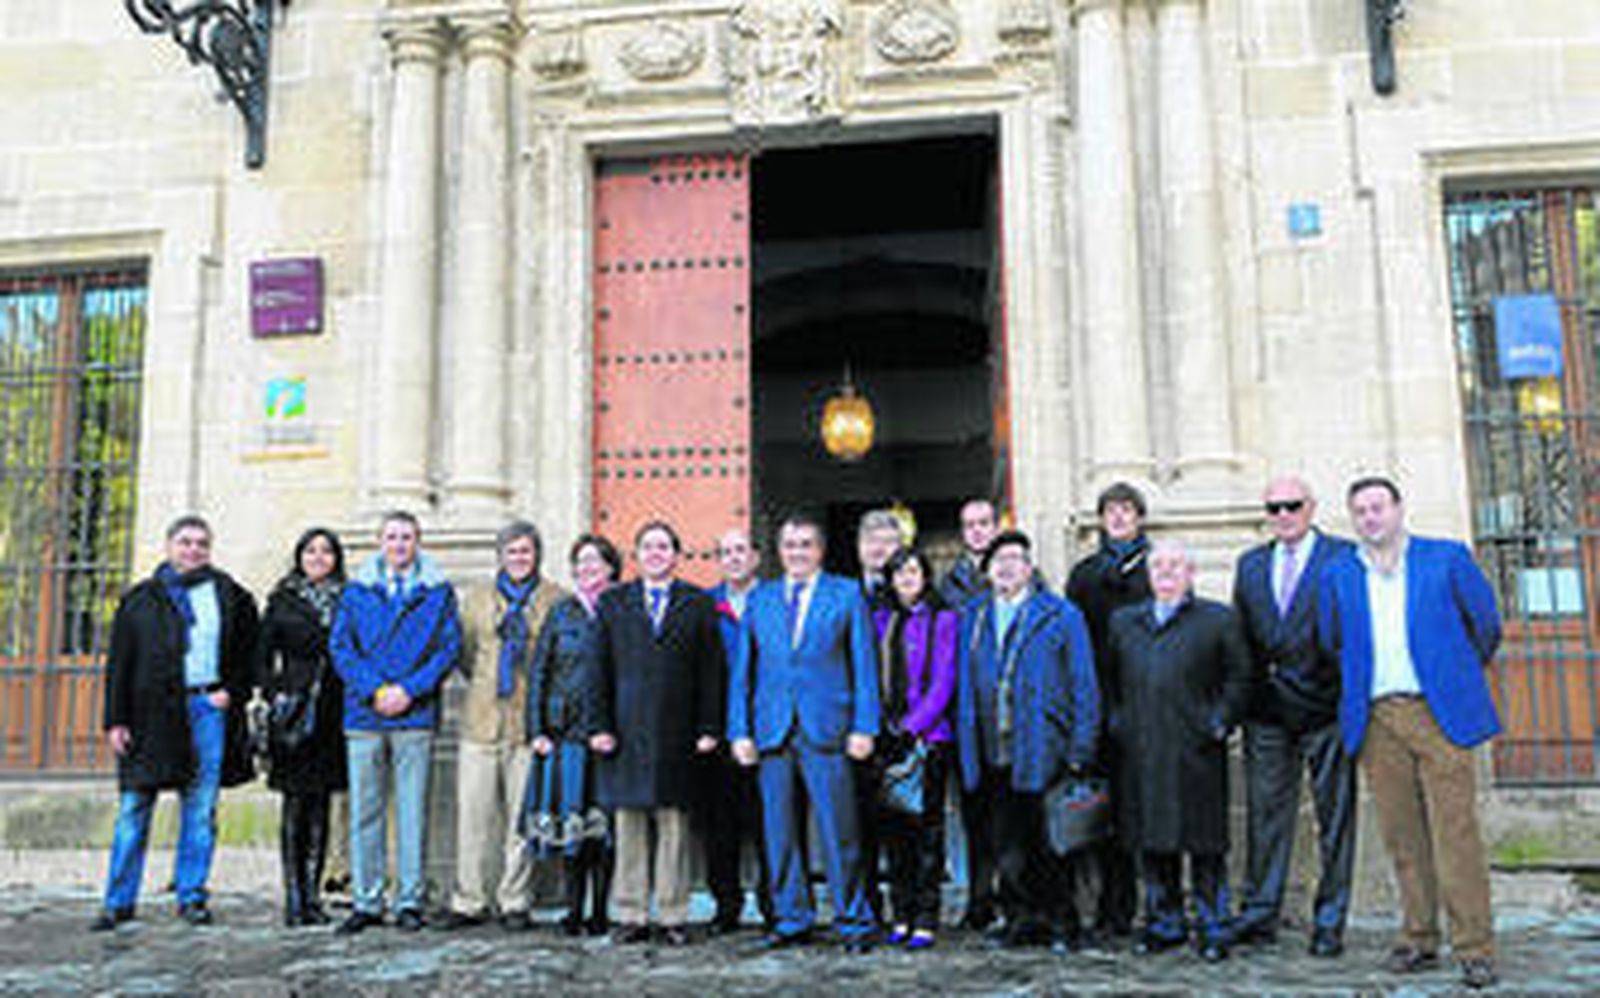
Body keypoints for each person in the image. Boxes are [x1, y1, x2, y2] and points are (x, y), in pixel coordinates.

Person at [1318, 476, 1502, 990]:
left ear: (1399, 509)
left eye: (1378, 507)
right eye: (1360, 511)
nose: (1370, 517)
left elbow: (1485, 625)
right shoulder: (1339, 574)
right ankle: (1419, 936)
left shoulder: (1446, 559)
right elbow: (1334, 641)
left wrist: (1452, 674)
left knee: (1456, 834)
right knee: (1402, 835)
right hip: (1377, 718)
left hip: (1438, 713)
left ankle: (1475, 947)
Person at [93, 515, 259, 931]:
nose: (193, 550)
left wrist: (234, 691)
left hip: (206, 710)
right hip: (149, 716)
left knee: (200, 809)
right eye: (185, 542)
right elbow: (120, 663)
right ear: (169, 546)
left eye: (201, 543)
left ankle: (191, 896)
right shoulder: (140, 599)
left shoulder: (229, 594)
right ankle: (118, 901)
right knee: (134, 807)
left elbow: (250, 650)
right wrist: (116, 720)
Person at [728, 514, 880, 952]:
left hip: (828, 729)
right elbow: (743, 673)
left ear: (821, 550)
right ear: (779, 551)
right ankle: (792, 919)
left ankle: (853, 920)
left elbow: (864, 666)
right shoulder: (762, 599)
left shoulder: (846, 594)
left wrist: (864, 726)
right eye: (790, 545)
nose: (797, 552)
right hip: (772, 730)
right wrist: (739, 731)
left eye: (806, 544)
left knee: (839, 831)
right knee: (779, 832)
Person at [1229, 477, 1357, 956]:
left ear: (1311, 507)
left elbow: (1354, 634)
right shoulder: (1251, 564)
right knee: (1265, 817)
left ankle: (1329, 919)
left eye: (1292, 506)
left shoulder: (1342, 558)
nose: (1283, 515)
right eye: (1273, 507)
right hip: (1267, 713)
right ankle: (1261, 912)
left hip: (1326, 710)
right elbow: (1242, 641)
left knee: (1335, 819)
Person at [954, 529, 1100, 952]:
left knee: (1051, 843)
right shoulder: (975, 616)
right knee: (1007, 844)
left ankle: (1061, 922)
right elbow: (965, 685)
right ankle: (1019, 919)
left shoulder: (1060, 614)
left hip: (1044, 747)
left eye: (1015, 558)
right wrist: (968, 752)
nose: (1005, 566)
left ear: (1030, 566)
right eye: (998, 560)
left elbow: (1083, 684)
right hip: (992, 750)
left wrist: (1081, 747)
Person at [1107, 540, 1251, 963]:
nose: (1166, 573)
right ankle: (1163, 924)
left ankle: (1213, 926)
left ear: (1191, 573)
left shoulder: (1218, 619)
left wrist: (1219, 721)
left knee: (1204, 845)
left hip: (1197, 750)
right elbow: (1110, 680)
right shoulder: (1125, 622)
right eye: (1158, 567)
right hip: (1143, 749)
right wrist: (1120, 723)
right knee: (1153, 844)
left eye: (1175, 566)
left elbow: (1240, 678)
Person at [330, 511, 462, 934]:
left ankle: (409, 899)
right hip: (365, 715)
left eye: (407, 537)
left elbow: (448, 648)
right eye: (392, 537)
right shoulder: (356, 592)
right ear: (379, 542)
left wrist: (409, 690)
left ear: (417, 542)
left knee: (411, 811)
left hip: (415, 715)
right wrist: (375, 691)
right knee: (365, 812)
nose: (399, 544)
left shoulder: (438, 592)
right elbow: (342, 648)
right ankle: (367, 900)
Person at [592, 521, 724, 946]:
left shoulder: (698, 603)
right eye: (648, 546)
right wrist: (599, 726)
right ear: (637, 555)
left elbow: (712, 672)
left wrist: (709, 727)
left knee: (673, 827)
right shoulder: (613, 602)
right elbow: (598, 670)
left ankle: (672, 914)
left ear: (676, 554)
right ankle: (630, 913)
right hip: (625, 731)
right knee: (629, 825)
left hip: (679, 731)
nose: (655, 553)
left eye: (664, 546)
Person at [440, 520, 566, 931]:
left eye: (526, 552)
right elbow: (466, 653)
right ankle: (468, 899)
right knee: (473, 816)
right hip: (480, 721)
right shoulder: (476, 599)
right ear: (500, 556)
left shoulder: (554, 600)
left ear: (537, 555)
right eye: (511, 552)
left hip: (527, 726)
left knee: (519, 819)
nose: (518, 559)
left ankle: (515, 900)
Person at [1064, 481, 1152, 940]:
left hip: (1145, 707)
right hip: (1098, 707)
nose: (1118, 518)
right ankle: (1110, 907)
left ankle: (1154, 903)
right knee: (1102, 815)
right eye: (1110, 511)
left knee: (1146, 811)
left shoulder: (1157, 569)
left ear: (1139, 517)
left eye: (1126, 510)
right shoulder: (1083, 575)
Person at [524, 534, 621, 936]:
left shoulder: (623, 609)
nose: (587, 568)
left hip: (609, 737)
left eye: (595, 561)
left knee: (603, 830)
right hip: (565, 734)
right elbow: (539, 672)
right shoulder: (560, 612)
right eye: (580, 561)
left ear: (611, 567)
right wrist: (536, 729)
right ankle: (573, 909)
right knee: (571, 826)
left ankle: (601, 910)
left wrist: (616, 728)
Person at [256, 527, 349, 927]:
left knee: (323, 805)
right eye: (311, 551)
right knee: (295, 805)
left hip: (333, 710)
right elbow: (261, 657)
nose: (318, 557)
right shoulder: (282, 600)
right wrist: (277, 691)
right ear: (299, 557)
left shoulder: (349, 598)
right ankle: (294, 898)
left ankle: (314, 894)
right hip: (295, 711)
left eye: (326, 552)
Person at [871, 547, 958, 951]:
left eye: (913, 570)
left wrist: (912, 727)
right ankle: (900, 912)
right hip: (886, 742)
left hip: (929, 739)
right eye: (898, 572)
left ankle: (926, 916)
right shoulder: (879, 620)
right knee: (894, 834)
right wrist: (883, 730)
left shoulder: (943, 619)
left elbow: (943, 681)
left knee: (927, 832)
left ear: (925, 576)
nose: (906, 578)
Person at [701, 528, 775, 933]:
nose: (733, 558)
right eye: (725, 552)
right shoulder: (704, 606)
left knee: (771, 824)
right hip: (717, 733)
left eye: (740, 550)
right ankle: (725, 907)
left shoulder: (776, 599)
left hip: (767, 730)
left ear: (756, 557)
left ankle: (773, 905)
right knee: (720, 826)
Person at [935, 497, 1000, 930]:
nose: (977, 531)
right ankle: (978, 900)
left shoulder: (1025, 574)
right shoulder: (948, 586)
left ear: (997, 526)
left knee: (1012, 812)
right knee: (973, 813)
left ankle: (1016, 899)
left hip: (1008, 716)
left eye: (983, 523)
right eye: (969, 525)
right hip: (964, 716)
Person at [856, 508, 904, 612]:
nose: (878, 548)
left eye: (888, 541)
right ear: (859, 545)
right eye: (871, 540)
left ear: (899, 548)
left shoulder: (912, 591)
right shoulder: (835, 592)